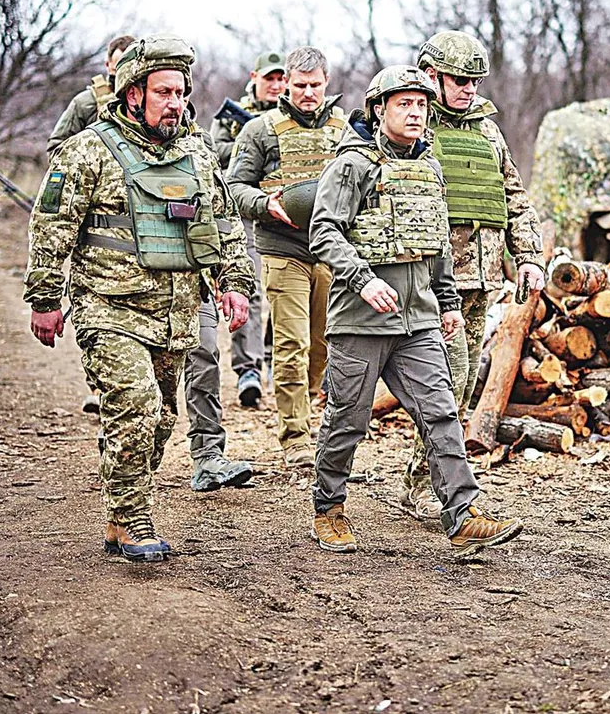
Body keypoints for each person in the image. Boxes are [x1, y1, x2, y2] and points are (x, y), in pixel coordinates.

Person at [25, 34, 254, 562]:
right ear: (133, 94)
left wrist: (235, 283)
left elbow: (224, 225)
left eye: (181, 92)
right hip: (108, 306)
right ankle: (134, 519)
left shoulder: (196, 154)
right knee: (136, 406)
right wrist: (44, 298)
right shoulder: (90, 149)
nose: (177, 103)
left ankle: (117, 509)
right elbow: (51, 226)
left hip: (176, 312)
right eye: (164, 93)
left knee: (161, 420)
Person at [307, 64, 522, 553]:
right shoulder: (352, 165)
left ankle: (463, 513)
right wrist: (362, 280)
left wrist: (446, 303)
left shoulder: (429, 168)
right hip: (360, 320)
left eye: (422, 104)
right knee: (348, 419)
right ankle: (329, 508)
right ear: (379, 109)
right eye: (404, 103)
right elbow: (323, 232)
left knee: (441, 413)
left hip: (418, 319)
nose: (416, 112)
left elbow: (437, 246)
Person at [403, 29, 547, 519]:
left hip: (481, 280)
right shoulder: (412, 128)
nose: (468, 89)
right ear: (431, 76)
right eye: (458, 80)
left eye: (474, 81)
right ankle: (438, 489)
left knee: (458, 389)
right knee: (446, 384)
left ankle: (424, 481)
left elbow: (513, 195)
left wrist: (528, 255)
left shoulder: (487, 130)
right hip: (430, 282)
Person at [227, 47, 345, 467]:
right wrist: (264, 204)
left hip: (332, 250)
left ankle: (311, 407)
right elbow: (234, 187)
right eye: (299, 86)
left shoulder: (346, 130)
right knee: (290, 342)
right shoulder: (260, 130)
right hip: (281, 247)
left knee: (321, 345)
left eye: (315, 86)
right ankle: (295, 435)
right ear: (287, 85)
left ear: (326, 82)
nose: (308, 93)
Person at [47, 33, 137, 415]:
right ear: (108, 65)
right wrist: (91, 160)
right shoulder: (87, 103)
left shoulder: (153, 102)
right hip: (95, 214)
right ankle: (101, 387)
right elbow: (56, 148)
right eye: (119, 62)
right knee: (99, 298)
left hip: (140, 219)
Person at [197, 51, 287, 410]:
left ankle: (271, 361)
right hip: (245, 213)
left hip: (286, 216)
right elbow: (212, 150)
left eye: (282, 79)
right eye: (270, 79)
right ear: (255, 77)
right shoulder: (233, 117)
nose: (276, 85)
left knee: (282, 293)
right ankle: (248, 369)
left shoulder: (290, 113)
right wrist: (252, 147)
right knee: (247, 289)